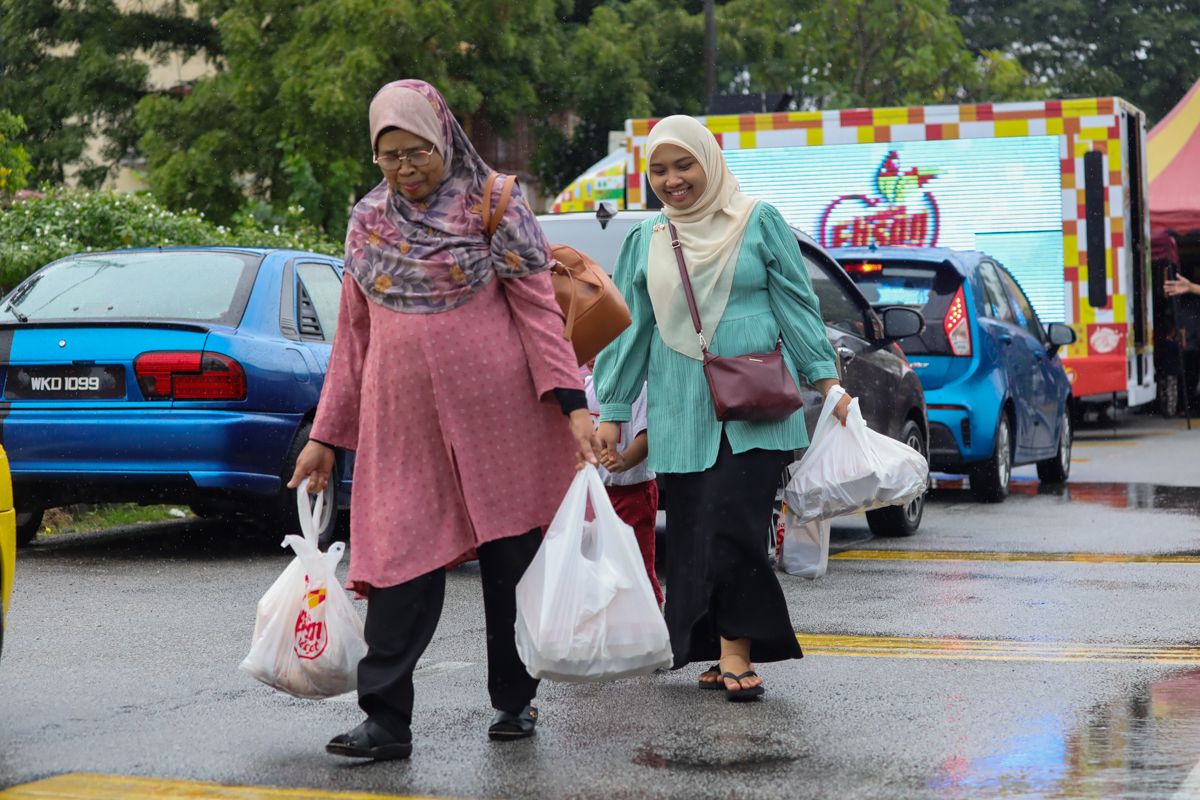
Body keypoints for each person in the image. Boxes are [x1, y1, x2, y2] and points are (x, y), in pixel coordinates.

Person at [287, 79, 599, 761]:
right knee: (398, 558)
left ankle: (514, 700)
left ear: (445, 139)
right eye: (390, 155)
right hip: (403, 424)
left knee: (511, 560)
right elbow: (353, 338)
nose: (406, 167)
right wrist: (326, 437)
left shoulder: (495, 202)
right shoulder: (368, 220)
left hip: (500, 418)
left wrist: (573, 405)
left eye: (418, 151)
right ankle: (385, 721)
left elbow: (539, 313)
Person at [594, 115, 851, 702]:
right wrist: (613, 408)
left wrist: (828, 383)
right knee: (694, 535)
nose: (672, 179)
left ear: (709, 162)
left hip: (756, 404)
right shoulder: (646, 239)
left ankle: (737, 651)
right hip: (681, 410)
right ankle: (714, 646)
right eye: (659, 170)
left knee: (735, 526)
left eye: (684, 165)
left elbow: (797, 306)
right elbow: (630, 331)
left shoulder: (758, 221)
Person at [582, 364, 663, 607]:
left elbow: (647, 435)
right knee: (595, 566)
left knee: (636, 566)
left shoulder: (639, 389)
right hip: (593, 496)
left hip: (632, 494)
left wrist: (625, 460)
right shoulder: (586, 388)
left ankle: (650, 617)